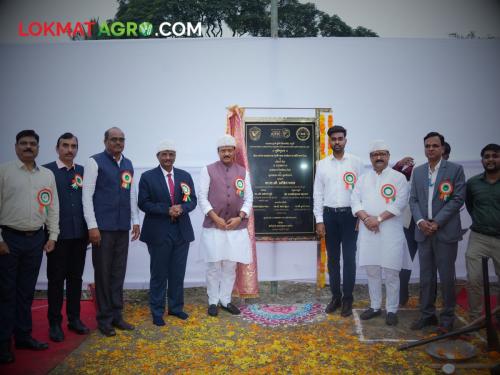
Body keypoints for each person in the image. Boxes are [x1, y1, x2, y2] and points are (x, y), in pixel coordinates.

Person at [0, 130, 59, 364]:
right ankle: (3, 343)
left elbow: (52, 207)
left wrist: (52, 235)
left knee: (26, 292)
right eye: (23, 144)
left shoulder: (46, 175)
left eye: (32, 144)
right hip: (9, 240)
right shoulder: (4, 172)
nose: (28, 147)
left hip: (36, 239)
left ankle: (23, 336)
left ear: (38, 148)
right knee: (6, 293)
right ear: (16, 147)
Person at [82, 127, 140, 337]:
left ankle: (117, 315)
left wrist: (135, 220)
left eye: (121, 139)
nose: (118, 142)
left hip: (122, 227)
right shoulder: (94, 162)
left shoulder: (128, 164)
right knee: (103, 274)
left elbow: (131, 193)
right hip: (102, 229)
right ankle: (104, 319)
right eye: (113, 139)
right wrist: (92, 226)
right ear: (105, 141)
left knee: (118, 273)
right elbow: (86, 197)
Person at [409, 132, 465, 332]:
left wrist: (437, 222)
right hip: (423, 232)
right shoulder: (419, 171)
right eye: (427, 146)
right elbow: (413, 200)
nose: (430, 149)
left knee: (447, 277)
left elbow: (457, 199)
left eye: (434, 145)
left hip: (444, 232)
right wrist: (422, 221)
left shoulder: (455, 170)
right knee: (426, 277)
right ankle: (427, 315)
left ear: (442, 148)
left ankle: (448, 317)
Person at [138, 140, 197, 326]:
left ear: (175, 156)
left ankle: (175, 308)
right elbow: (143, 203)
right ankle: (157, 311)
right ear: (158, 156)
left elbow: (192, 201)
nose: (168, 157)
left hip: (181, 231)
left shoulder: (184, 176)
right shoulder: (147, 177)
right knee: (158, 273)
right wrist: (166, 210)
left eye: (171, 153)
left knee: (177, 273)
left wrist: (182, 207)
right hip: (158, 232)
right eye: (164, 154)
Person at [352, 141, 409, 326]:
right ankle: (375, 306)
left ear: (388, 156)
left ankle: (392, 309)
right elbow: (355, 201)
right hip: (368, 231)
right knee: (372, 270)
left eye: (382, 154)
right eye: (375, 154)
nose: (379, 157)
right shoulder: (363, 178)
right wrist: (367, 219)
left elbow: (399, 203)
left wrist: (379, 219)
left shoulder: (399, 178)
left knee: (391, 272)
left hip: (391, 231)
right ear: (370, 158)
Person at [198, 135, 253, 317]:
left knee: (230, 266)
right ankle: (213, 301)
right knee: (214, 266)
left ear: (234, 151)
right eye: (223, 150)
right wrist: (214, 217)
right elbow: (202, 197)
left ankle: (225, 300)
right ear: (218, 152)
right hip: (215, 227)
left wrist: (240, 217)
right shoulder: (207, 170)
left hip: (236, 227)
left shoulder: (243, 171)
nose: (227, 153)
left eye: (230, 150)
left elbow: (248, 198)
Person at [313, 125, 363, 317]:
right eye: (333, 139)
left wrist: (361, 215)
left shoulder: (357, 163)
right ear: (329, 141)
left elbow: (362, 191)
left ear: (345, 140)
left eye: (340, 138)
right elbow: (318, 193)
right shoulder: (322, 164)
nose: (337, 142)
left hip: (351, 216)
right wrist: (319, 220)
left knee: (349, 259)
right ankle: (336, 297)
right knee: (333, 260)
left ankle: (348, 299)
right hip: (330, 216)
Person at [43, 133, 89, 342]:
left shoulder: (82, 171)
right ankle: (54, 323)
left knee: (75, 279)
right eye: (65, 146)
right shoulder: (46, 171)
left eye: (74, 146)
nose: (70, 150)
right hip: (57, 236)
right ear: (57, 147)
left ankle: (74, 318)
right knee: (55, 281)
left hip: (79, 235)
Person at [465, 143, 500, 321]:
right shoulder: (473, 183)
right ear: (482, 160)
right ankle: (475, 318)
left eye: (495, 156)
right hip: (479, 237)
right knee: (474, 279)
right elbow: (470, 206)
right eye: (487, 156)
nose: (491, 159)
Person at [392, 156, 418, 306]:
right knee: (405, 262)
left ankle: (429, 298)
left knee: (430, 264)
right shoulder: (416, 171)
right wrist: (399, 164)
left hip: (429, 223)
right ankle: (402, 295)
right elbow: (391, 179)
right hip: (408, 223)